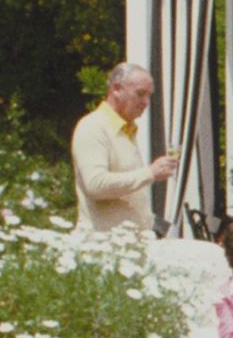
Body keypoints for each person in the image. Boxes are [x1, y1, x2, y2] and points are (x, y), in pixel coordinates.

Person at [71, 62, 176, 239]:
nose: (146, 103)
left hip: (128, 245)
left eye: (149, 96)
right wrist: (150, 173)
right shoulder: (92, 127)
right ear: (117, 89)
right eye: (140, 94)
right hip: (103, 245)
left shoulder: (127, 129)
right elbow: (95, 185)